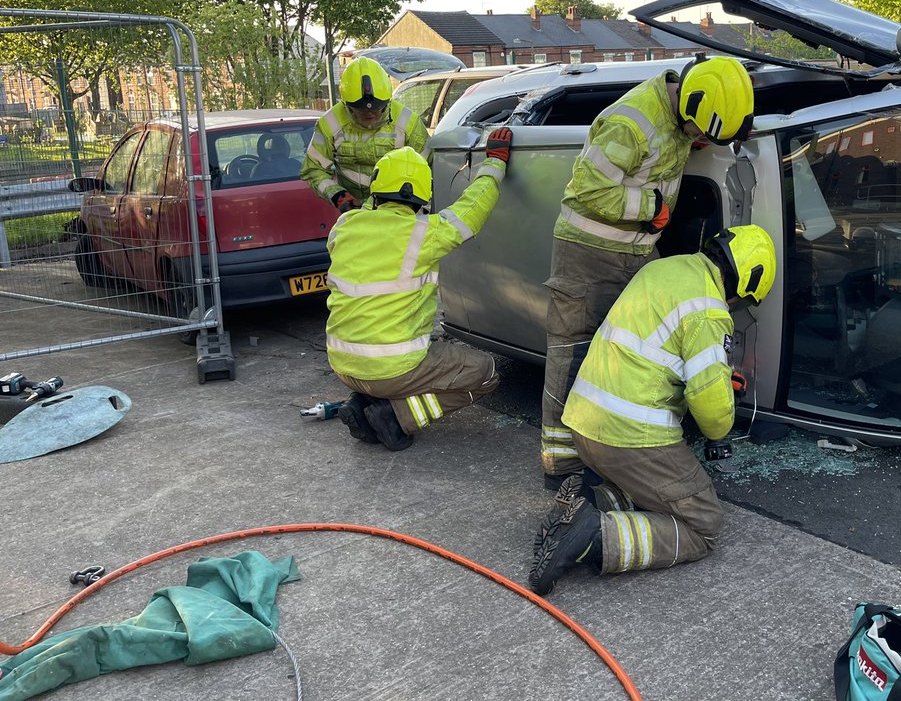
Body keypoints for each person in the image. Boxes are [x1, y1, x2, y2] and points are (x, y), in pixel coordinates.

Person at [540, 56, 754, 488]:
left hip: (635, 250)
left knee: (628, 349)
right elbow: (585, 191)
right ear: (689, 105)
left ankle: (611, 448)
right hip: (588, 252)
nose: (699, 142)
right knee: (573, 350)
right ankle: (561, 466)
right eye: (699, 134)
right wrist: (653, 208)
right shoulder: (631, 123)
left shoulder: (683, 116)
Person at [528, 225, 777, 596]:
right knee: (703, 522)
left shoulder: (662, 268)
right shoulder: (709, 311)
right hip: (629, 437)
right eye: (743, 301)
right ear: (743, 285)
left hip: (584, 423)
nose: (736, 308)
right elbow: (712, 415)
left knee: (655, 490)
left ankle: (588, 499)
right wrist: (723, 399)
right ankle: (594, 537)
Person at [324, 129, 513, 450]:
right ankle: (397, 417)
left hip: (342, 364)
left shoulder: (344, 226)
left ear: (377, 186)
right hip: (390, 369)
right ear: (423, 194)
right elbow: (473, 207)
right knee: (486, 372)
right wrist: (495, 163)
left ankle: (364, 403)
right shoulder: (424, 234)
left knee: (391, 353)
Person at [301, 57, 430, 214]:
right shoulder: (330, 123)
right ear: (347, 105)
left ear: (387, 102)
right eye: (361, 110)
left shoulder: (408, 122)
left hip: (401, 212)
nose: (370, 114)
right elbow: (314, 169)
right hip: (355, 213)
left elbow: (429, 169)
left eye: (376, 109)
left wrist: (415, 207)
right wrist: (340, 197)